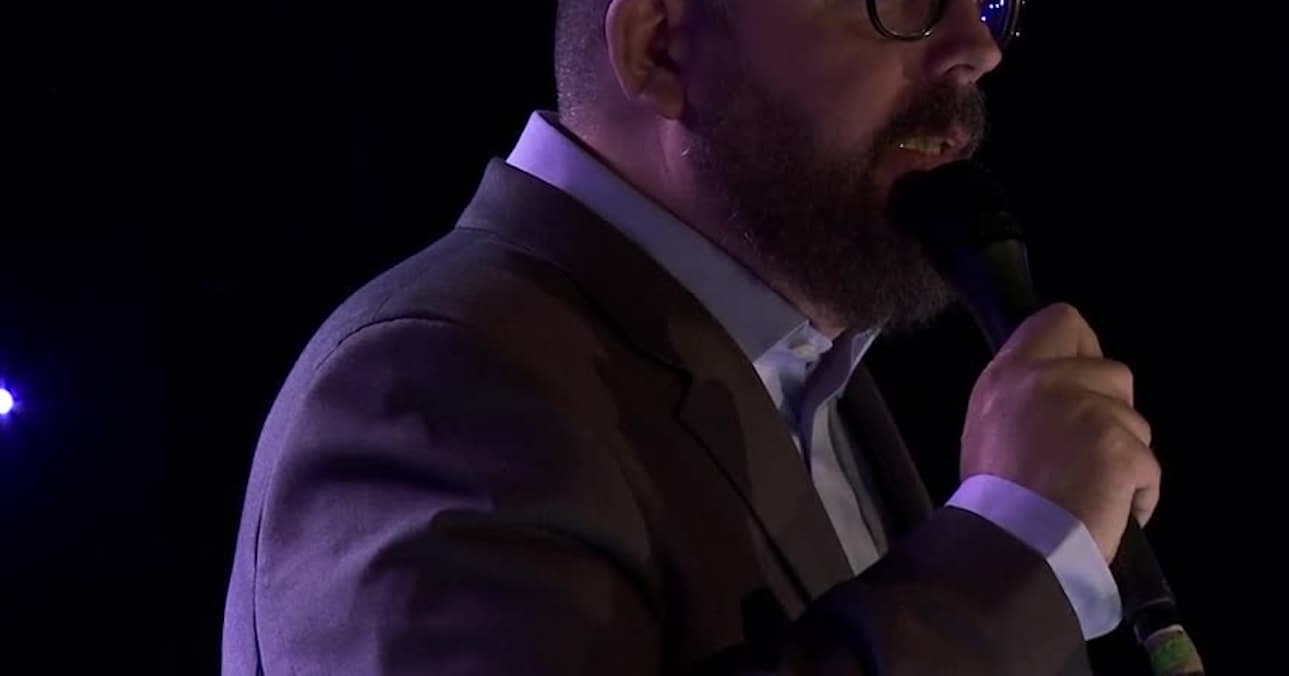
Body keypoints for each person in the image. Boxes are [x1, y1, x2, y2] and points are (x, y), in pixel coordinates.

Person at [221, 0, 1163, 673]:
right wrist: (1008, 551)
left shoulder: (812, 382)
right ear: (662, 46)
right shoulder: (427, 385)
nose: (976, 46)